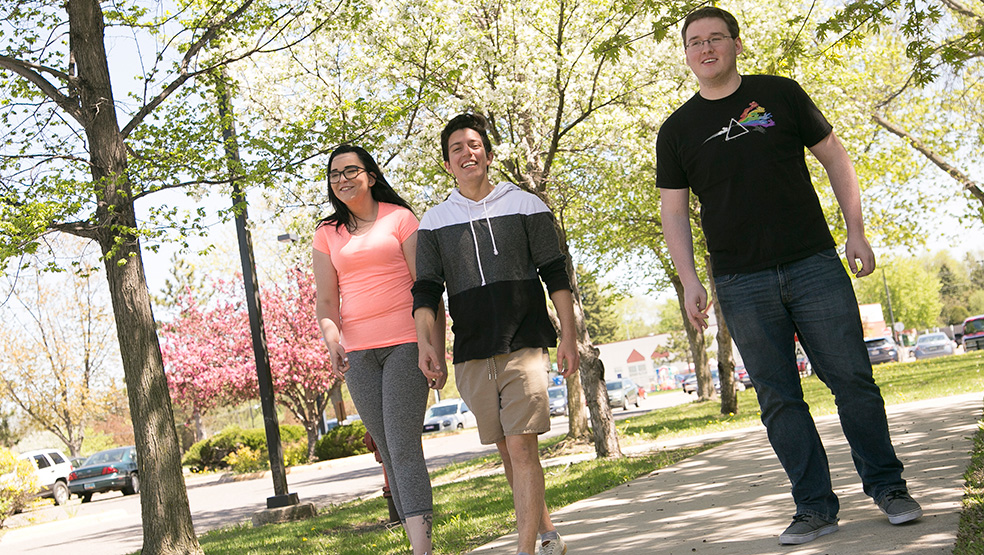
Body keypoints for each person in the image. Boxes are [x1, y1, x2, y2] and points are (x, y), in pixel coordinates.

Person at [657, 6, 923, 546]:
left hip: (813, 264)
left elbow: (836, 158)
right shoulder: (677, 130)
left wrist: (856, 231)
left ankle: (889, 488)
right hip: (740, 282)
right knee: (778, 399)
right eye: (694, 42)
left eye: (715, 39)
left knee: (852, 381)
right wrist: (688, 280)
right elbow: (674, 213)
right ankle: (814, 507)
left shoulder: (779, 94)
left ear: (735, 44)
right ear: (686, 55)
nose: (705, 49)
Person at [412, 113, 579, 555]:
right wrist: (426, 343)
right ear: (447, 164)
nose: (467, 153)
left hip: (524, 344)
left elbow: (555, 274)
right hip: (470, 351)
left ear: (487, 152)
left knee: (522, 447)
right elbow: (427, 290)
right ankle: (547, 534)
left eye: (474, 145)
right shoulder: (433, 222)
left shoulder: (526, 205)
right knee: (507, 450)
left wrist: (569, 335)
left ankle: (526, 550)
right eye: (456, 149)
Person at [313, 144, 445, 555]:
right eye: (334, 174)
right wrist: (332, 341)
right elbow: (326, 301)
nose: (342, 179)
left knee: (404, 446)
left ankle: (421, 548)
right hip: (358, 355)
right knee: (389, 451)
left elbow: (427, 288)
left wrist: (434, 348)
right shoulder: (326, 233)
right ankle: (417, 543)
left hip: (406, 343)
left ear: (370, 176)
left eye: (351, 170)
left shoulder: (401, 219)